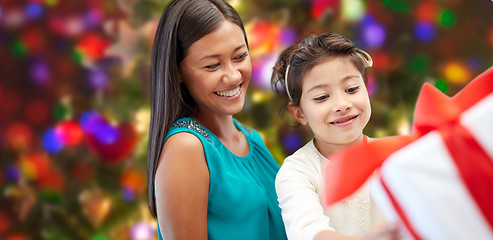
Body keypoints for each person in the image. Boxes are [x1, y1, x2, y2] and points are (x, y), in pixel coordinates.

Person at [146, 0, 287, 239]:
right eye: (212, 65)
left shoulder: (252, 139)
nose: (233, 76)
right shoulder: (186, 149)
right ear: (177, 71)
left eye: (240, 56)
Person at [271, 32, 399, 240]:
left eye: (351, 89)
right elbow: (309, 232)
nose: (342, 105)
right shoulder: (298, 172)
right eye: (322, 97)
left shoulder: (394, 155)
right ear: (299, 113)